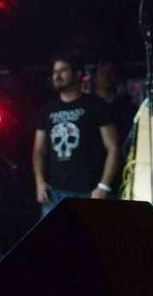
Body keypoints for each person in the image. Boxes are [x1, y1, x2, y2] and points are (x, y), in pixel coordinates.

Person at [33, 55, 120, 217]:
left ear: (78, 73)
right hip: (55, 193)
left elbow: (113, 147)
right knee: (54, 241)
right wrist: (39, 182)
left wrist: (104, 186)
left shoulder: (96, 106)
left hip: (90, 192)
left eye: (63, 70)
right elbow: (39, 150)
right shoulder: (47, 110)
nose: (57, 76)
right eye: (54, 72)